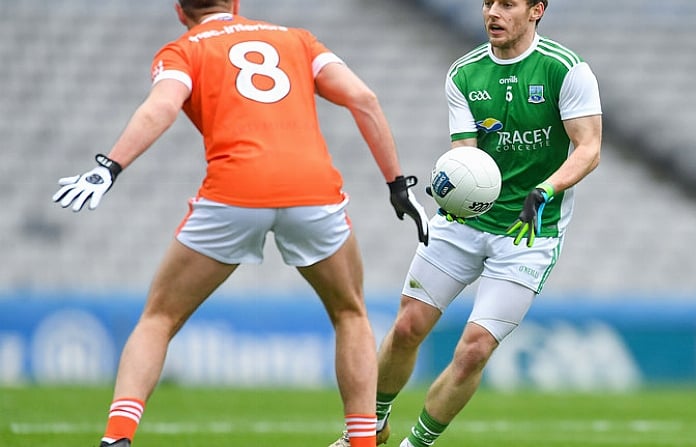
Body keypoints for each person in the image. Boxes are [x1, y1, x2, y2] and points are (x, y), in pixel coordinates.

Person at [52, 1, 429, 446]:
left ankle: (117, 437)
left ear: (180, 10)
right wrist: (396, 185)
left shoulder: (182, 51)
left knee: (159, 317)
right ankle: (363, 440)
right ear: (234, 2)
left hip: (234, 190)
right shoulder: (297, 39)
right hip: (311, 189)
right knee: (350, 313)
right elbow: (363, 99)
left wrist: (109, 167)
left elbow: (162, 108)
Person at [330, 1, 601, 446]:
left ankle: (415, 445)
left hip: (528, 232)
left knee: (474, 349)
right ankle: (369, 430)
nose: (493, 12)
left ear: (536, 10)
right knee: (407, 327)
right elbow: (466, 155)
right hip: (463, 223)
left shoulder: (566, 70)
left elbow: (588, 148)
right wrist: (449, 183)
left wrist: (543, 191)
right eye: (488, 2)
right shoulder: (464, 73)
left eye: (507, 4)